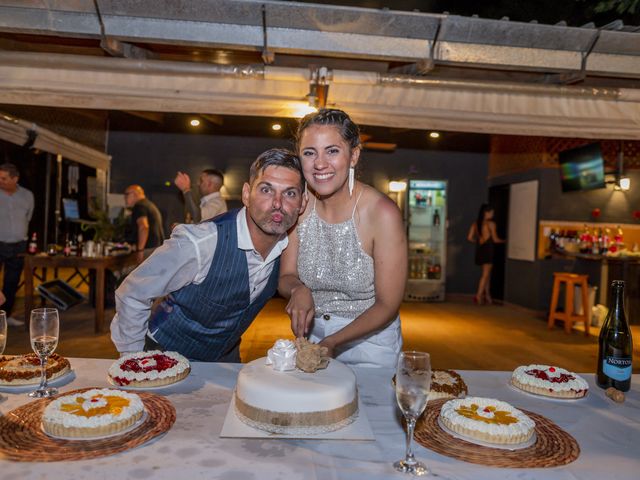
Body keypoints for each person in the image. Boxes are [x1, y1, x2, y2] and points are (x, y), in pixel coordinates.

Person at [111, 148, 306, 361]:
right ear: (246, 194)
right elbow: (133, 292)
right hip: (164, 356)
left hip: (225, 360)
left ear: (302, 203)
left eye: (290, 193)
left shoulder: (289, 252)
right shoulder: (201, 242)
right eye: (266, 190)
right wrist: (132, 360)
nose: (278, 203)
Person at [278, 109, 407, 369]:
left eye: (332, 151)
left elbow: (387, 304)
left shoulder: (382, 213)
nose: (320, 163)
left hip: (371, 344)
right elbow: (286, 276)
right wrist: (297, 289)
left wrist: (333, 341)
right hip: (313, 338)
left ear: (354, 155)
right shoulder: (300, 206)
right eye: (309, 152)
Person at [0, 163, 34, 327]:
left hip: (19, 246)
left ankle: (6, 316)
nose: (0, 180)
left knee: (12, 282)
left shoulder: (27, 196)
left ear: (15, 179)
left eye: (4, 178)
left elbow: (28, 217)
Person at [467, 203, 505, 305]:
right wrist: (506, 241)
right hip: (488, 249)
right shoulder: (491, 224)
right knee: (485, 275)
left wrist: (479, 241)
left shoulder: (476, 224)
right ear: (486, 213)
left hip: (480, 249)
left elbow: (469, 238)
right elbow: (496, 240)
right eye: (492, 212)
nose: (493, 214)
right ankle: (478, 296)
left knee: (487, 274)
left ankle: (488, 296)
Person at [124, 185, 165, 250]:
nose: (124, 197)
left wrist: (140, 250)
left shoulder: (140, 206)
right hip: (155, 249)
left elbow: (143, 227)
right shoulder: (148, 205)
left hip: (148, 251)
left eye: (127, 194)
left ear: (135, 194)